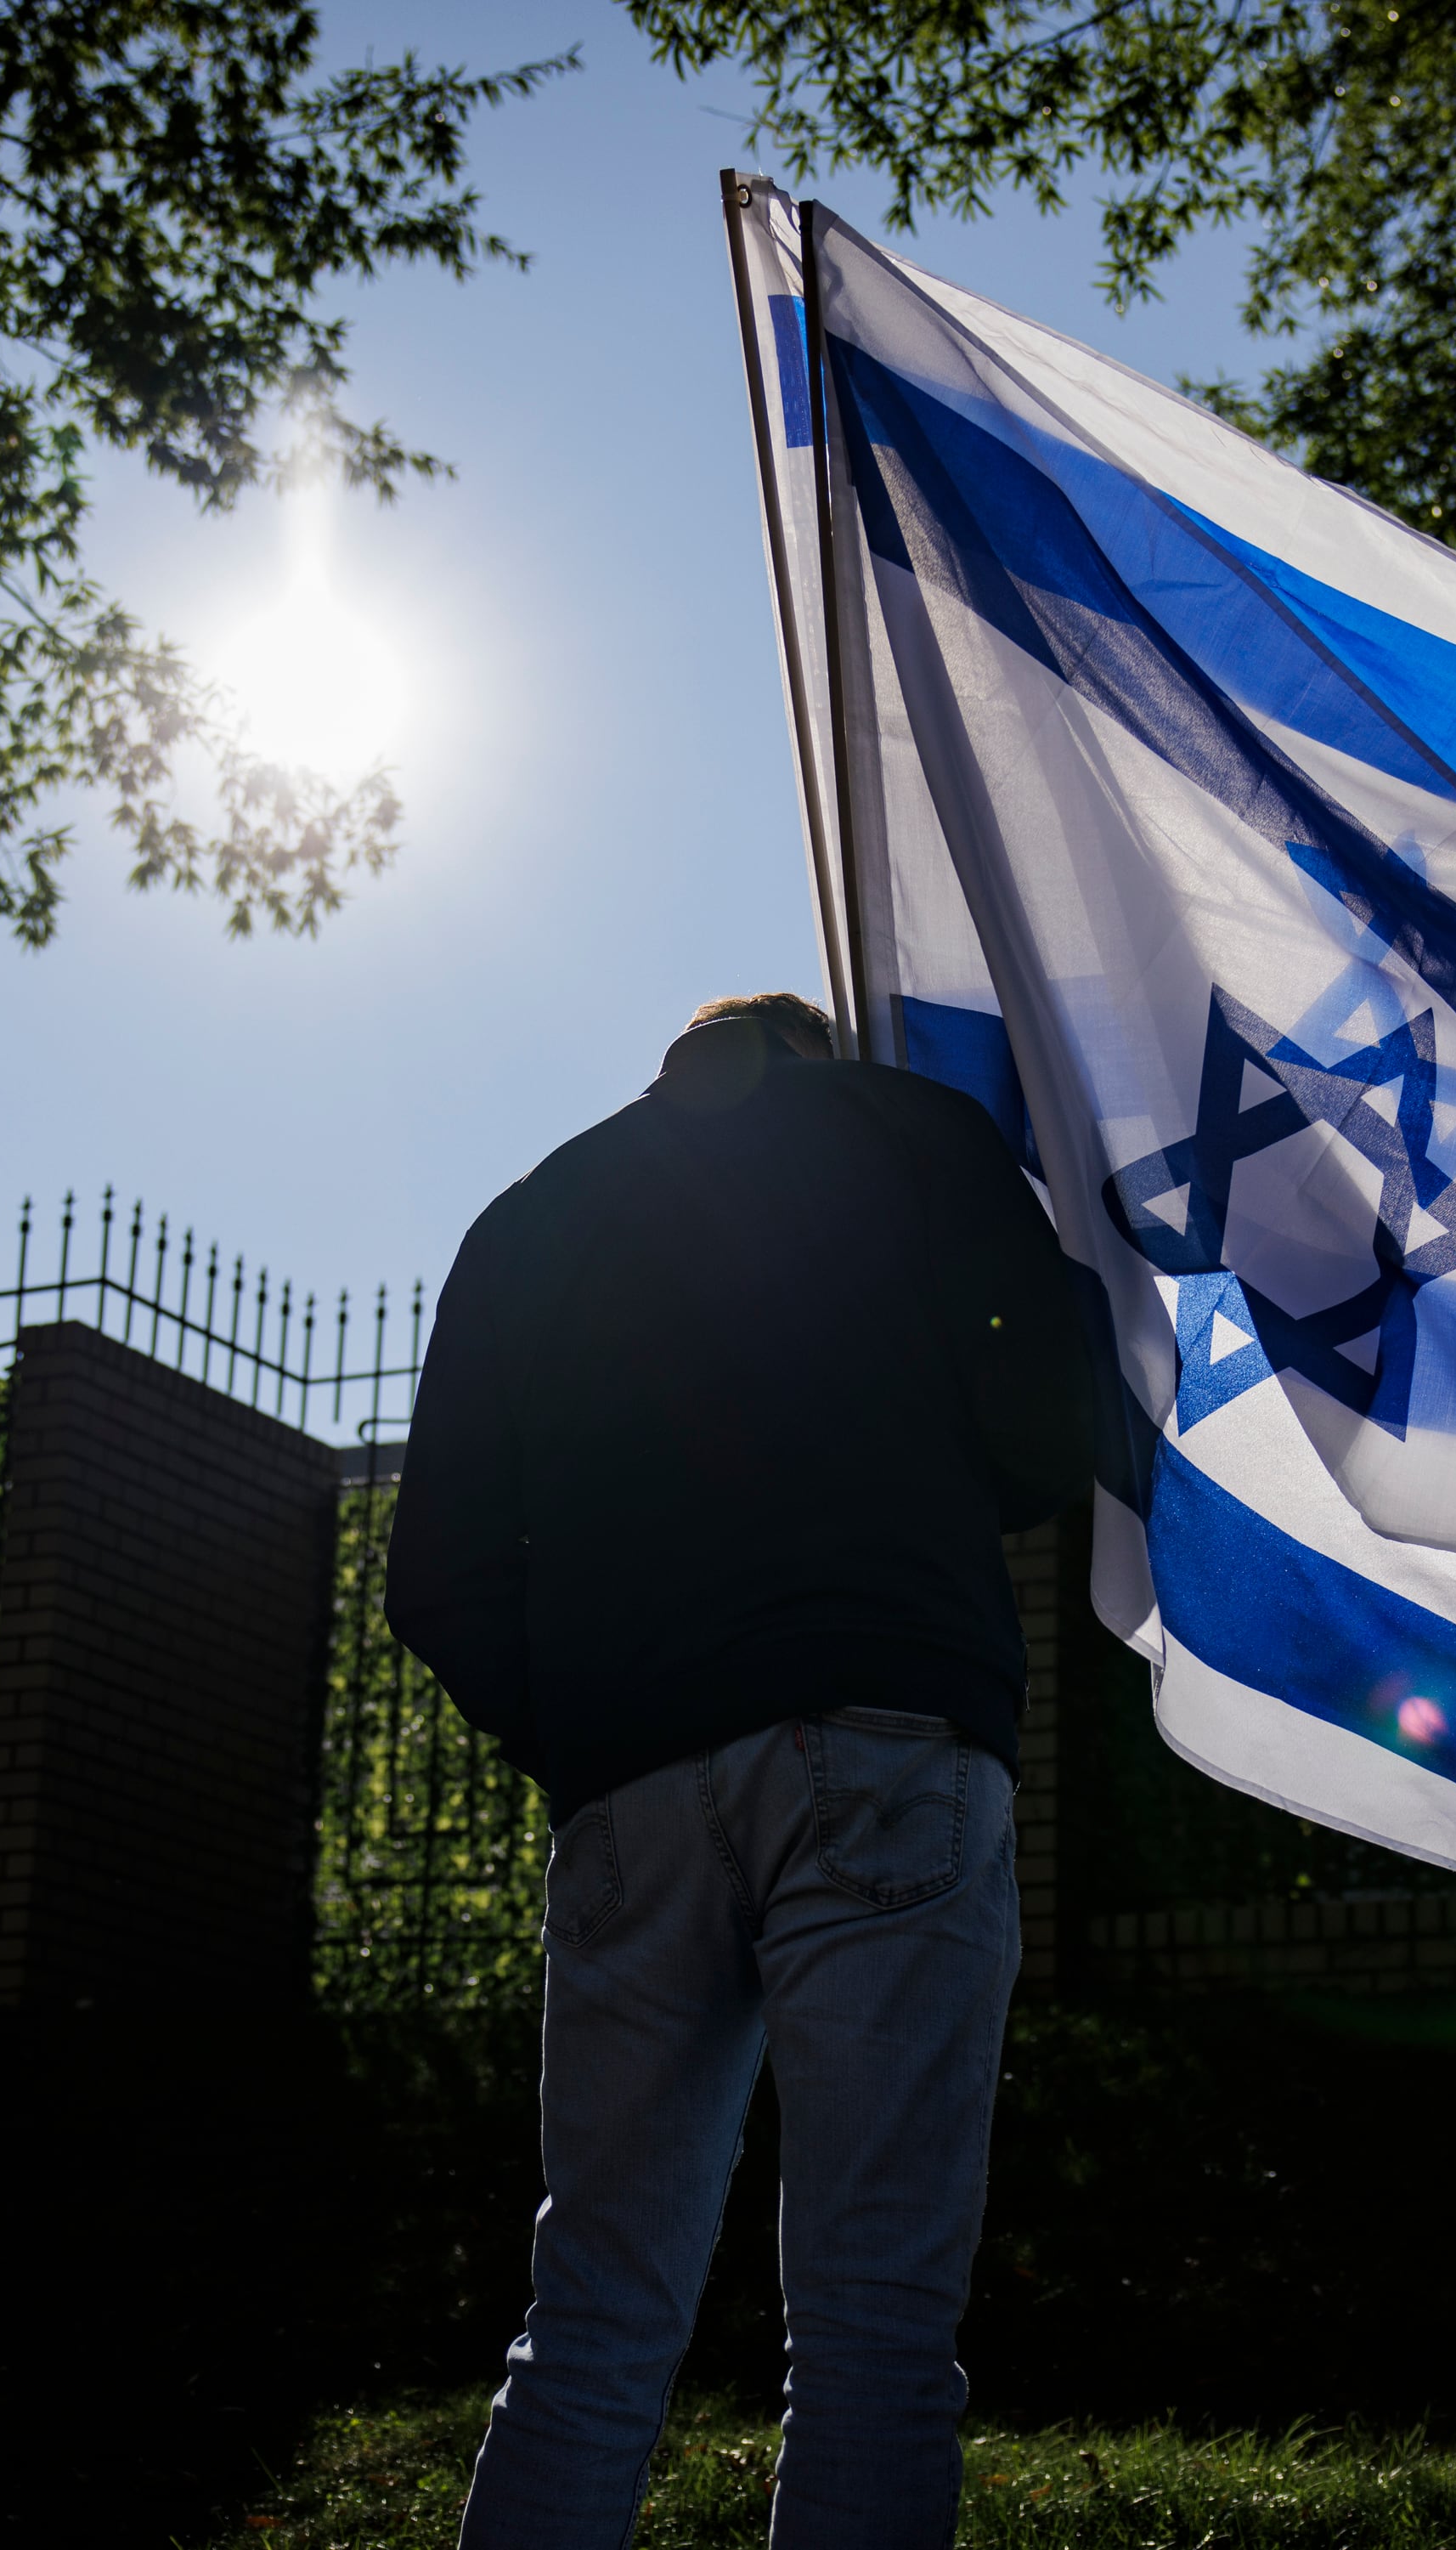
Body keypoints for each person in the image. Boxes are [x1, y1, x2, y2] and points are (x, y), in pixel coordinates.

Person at [388, 989, 1094, 2550]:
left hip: (628, 1784)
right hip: (889, 1730)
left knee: (586, 2324)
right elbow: (1049, 1424)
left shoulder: (526, 1222)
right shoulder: (919, 1138)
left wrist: (586, 1730)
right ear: (816, 1055)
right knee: (874, 2335)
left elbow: (432, 1572)